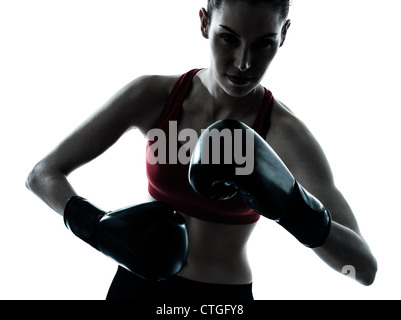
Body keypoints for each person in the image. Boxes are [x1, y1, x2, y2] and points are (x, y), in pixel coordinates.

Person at [26, 0, 377, 300]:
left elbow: (362, 268)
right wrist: (98, 228)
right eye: (229, 38)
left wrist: (292, 204)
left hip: (222, 299)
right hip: (135, 287)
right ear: (205, 23)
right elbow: (42, 174)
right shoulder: (154, 96)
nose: (243, 63)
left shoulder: (284, 133)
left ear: (284, 35)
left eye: (263, 44)